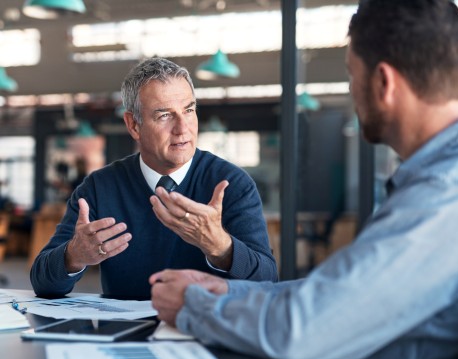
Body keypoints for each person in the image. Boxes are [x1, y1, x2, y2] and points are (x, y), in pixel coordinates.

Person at [149, 1, 458, 359]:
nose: (352, 91)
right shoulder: (434, 182)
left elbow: (308, 327)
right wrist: (228, 291)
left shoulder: (443, 194)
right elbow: (341, 295)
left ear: (385, 83)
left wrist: (194, 306)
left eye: (352, 75)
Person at [30, 57, 278, 299]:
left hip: (203, 331)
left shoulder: (231, 184)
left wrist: (221, 247)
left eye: (189, 110)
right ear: (134, 125)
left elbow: (268, 281)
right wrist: (73, 255)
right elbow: (42, 283)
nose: (183, 128)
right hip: (122, 335)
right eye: (165, 115)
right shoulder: (98, 188)